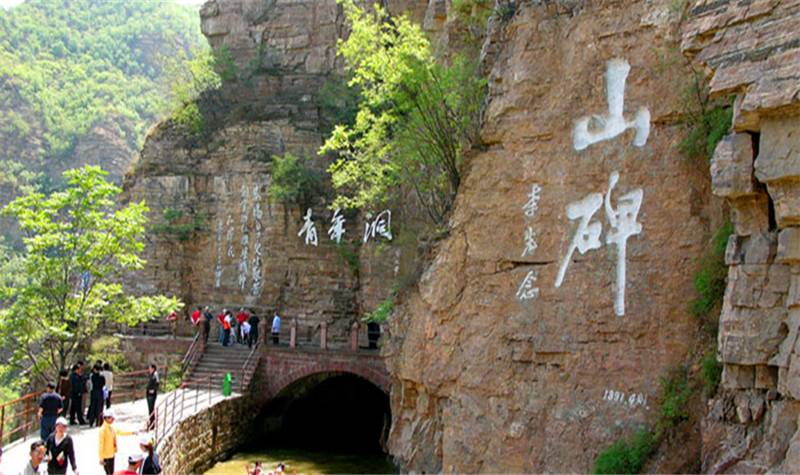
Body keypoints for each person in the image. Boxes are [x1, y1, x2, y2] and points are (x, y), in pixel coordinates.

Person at [98, 409, 134, 474]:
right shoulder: (102, 430)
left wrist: (132, 433)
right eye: (112, 418)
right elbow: (101, 445)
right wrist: (101, 458)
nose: (113, 420)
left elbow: (120, 432)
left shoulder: (111, 427)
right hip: (106, 456)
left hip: (111, 454)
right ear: (107, 418)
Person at [146, 365, 159, 431]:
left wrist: (153, 390)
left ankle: (152, 424)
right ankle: (151, 423)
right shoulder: (152, 375)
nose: (149, 369)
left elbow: (157, 384)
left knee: (151, 409)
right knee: (150, 409)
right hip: (149, 394)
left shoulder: (155, 374)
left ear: (153, 369)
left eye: (150, 368)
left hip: (152, 395)